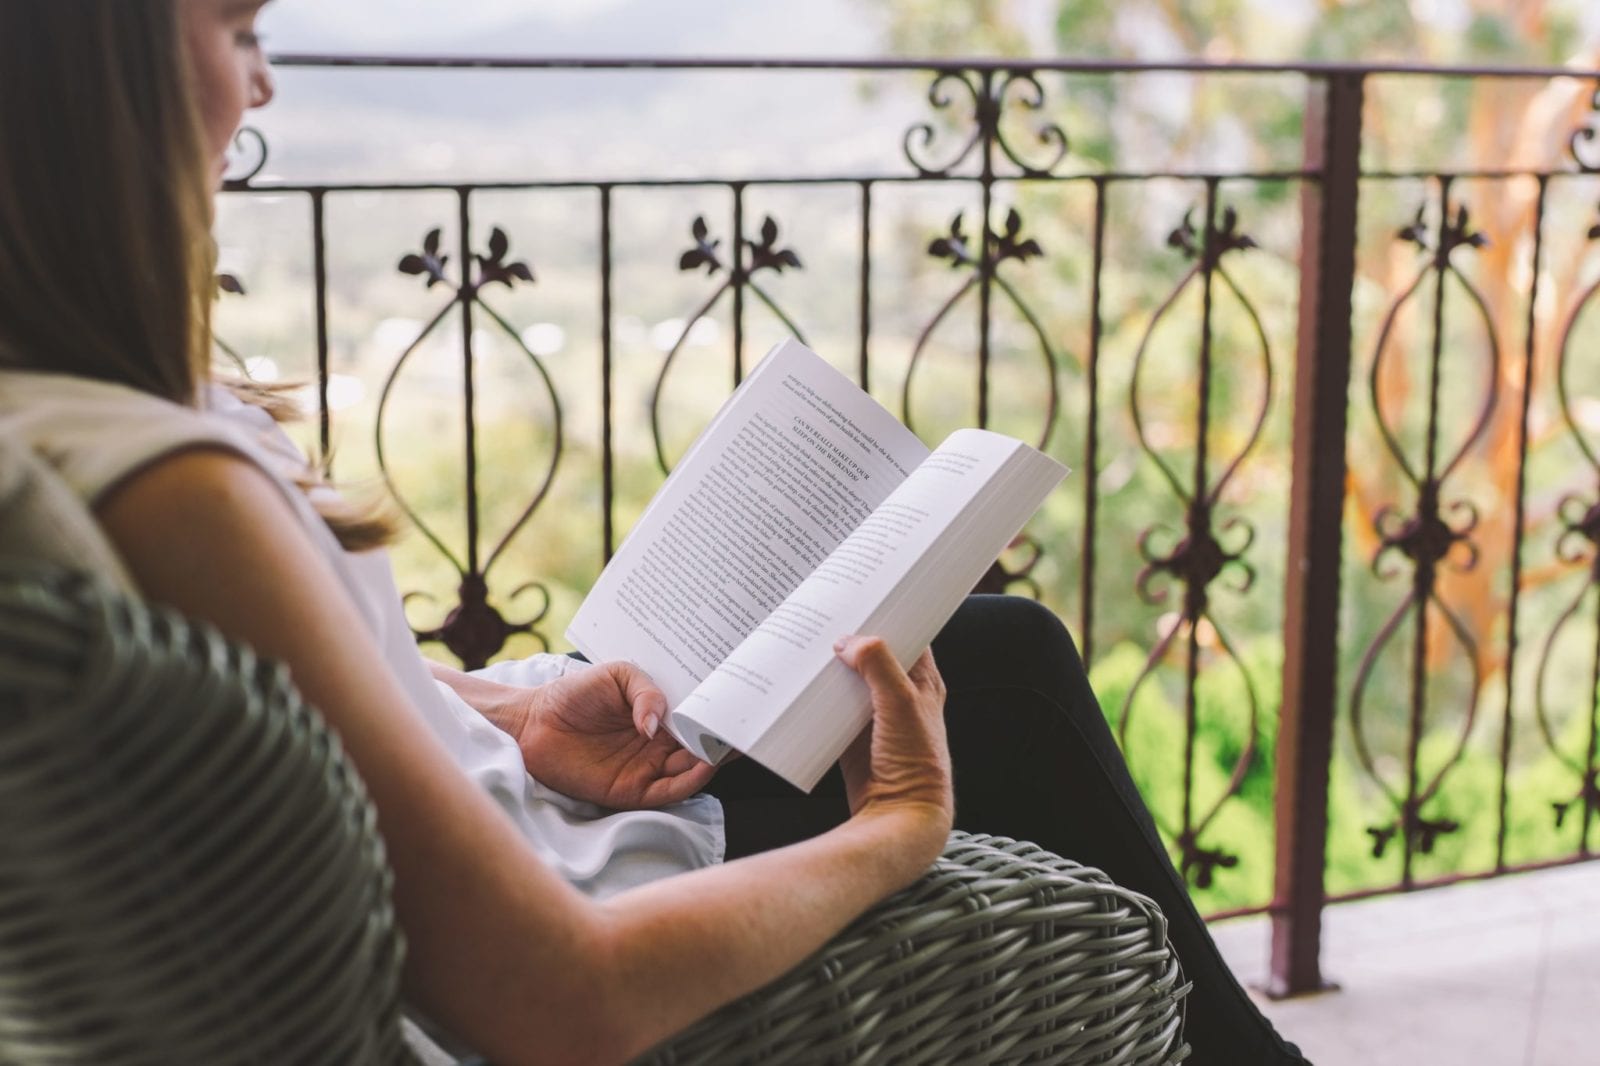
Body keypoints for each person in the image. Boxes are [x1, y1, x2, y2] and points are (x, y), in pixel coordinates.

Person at [0, 3, 1305, 1064]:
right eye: (237, 32)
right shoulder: (172, 485)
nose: (264, 85)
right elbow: (564, 1004)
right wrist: (890, 834)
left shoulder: (62, 415)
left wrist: (508, 715)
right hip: (562, 899)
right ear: (91, 74)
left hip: (520, 797)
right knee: (997, 668)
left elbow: (271, 697)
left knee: (974, 646)